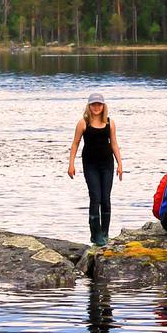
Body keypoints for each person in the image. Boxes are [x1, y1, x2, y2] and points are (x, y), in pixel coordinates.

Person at [68, 92, 123, 245]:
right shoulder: (83, 123)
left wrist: (120, 164)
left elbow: (114, 144)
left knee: (106, 198)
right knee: (95, 197)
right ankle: (95, 234)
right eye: (93, 104)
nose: (96, 107)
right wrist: (71, 164)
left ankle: (104, 233)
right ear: (89, 106)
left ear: (103, 106)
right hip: (90, 164)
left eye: (99, 104)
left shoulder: (110, 123)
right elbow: (75, 143)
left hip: (107, 164)